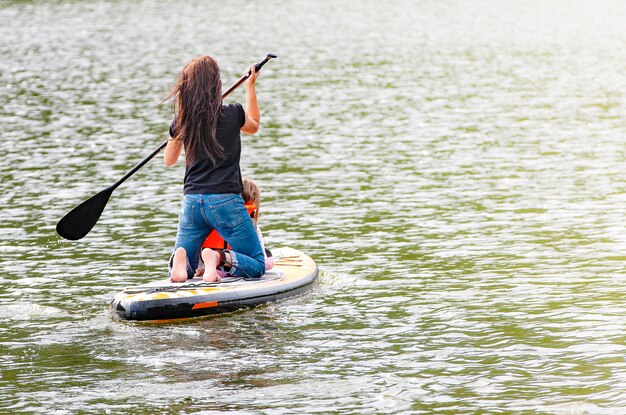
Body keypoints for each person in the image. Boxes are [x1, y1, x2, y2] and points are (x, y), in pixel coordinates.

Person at [163, 55, 266, 283]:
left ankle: (180, 264)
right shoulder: (233, 113)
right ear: (215, 85)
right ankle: (217, 259)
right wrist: (250, 86)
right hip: (225, 201)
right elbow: (254, 125)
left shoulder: (182, 122)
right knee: (258, 264)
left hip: (191, 202)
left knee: (189, 266)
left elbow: (169, 160)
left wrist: (175, 134)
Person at [196, 176, 274, 278]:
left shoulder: (213, 218)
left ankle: (187, 265)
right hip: (229, 267)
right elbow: (260, 256)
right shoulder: (249, 223)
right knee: (266, 262)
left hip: (206, 266)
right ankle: (217, 260)